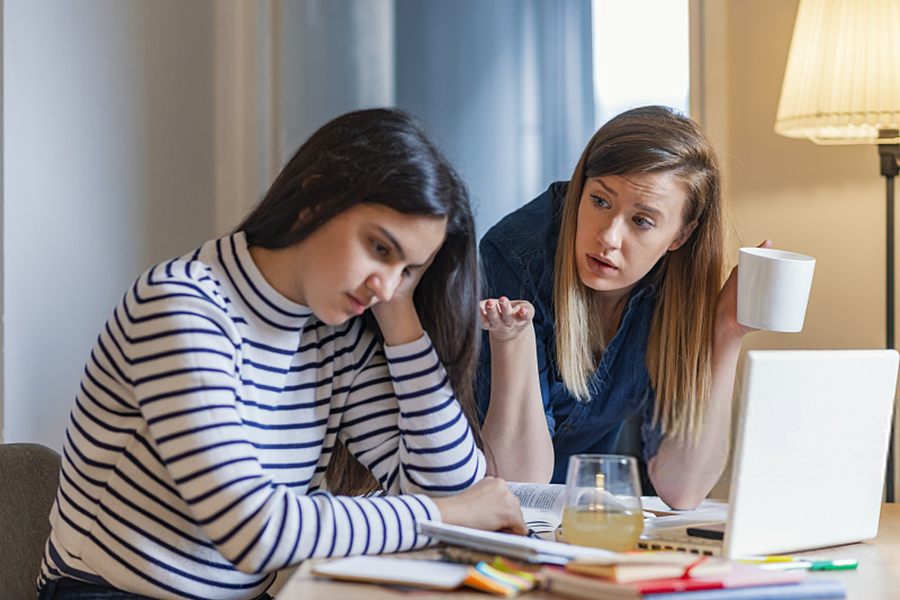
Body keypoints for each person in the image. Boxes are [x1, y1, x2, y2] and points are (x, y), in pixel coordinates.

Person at [38, 108, 526, 600]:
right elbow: (253, 531)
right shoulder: (180, 309)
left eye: (409, 269)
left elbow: (452, 487)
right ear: (314, 198)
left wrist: (400, 315)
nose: (384, 284)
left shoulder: (338, 330)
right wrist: (448, 516)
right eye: (380, 247)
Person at [476, 105, 767, 510]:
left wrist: (727, 333)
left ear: (681, 234)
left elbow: (682, 489)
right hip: (478, 508)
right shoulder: (516, 256)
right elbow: (518, 481)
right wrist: (514, 341)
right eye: (599, 200)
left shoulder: (676, 286)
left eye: (642, 221)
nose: (608, 237)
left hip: (583, 516)